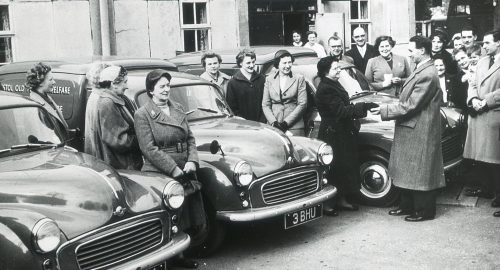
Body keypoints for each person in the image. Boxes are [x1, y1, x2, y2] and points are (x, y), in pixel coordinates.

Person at [134, 69, 206, 268]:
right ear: (151, 90)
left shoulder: (178, 107)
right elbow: (148, 149)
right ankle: (170, 259)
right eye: (162, 87)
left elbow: (190, 137)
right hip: (160, 172)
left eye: (168, 85)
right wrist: (174, 169)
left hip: (186, 167)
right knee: (170, 215)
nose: (167, 90)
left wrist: (192, 160)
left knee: (189, 215)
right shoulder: (142, 114)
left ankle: (183, 254)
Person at [373, 35, 445, 222]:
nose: (410, 55)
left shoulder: (428, 74)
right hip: (413, 127)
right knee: (408, 170)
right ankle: (407, 206)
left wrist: (385, 109)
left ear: (422, 51)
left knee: (420, 171)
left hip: (420, 128)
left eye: (412, 51)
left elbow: (411, 105)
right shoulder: (422, 69)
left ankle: (424, 211)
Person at [315, 56, 378, 216]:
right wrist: (362, 107)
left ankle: (341, 199)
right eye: (335, 68)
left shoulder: (333, 83)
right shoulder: (325, 88)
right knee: (335, 167)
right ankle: (328, 204)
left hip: (341, 131)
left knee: (344, 166)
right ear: (326, 72)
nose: (339, 70)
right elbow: (341, 111)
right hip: (333, 133)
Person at [461, 29, 500, 217]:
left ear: (498, 43)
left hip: (494, 114)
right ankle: (488, 189)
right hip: (479, 114)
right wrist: (473, 99)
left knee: (496, 159)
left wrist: (486, 101)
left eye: (487, 43)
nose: (483, 46)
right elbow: (473, 84)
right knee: (482, 158)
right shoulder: (483, 61)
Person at [84, 64, 142, 170]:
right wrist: (142, 138)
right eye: (124, 82)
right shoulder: (107, 102)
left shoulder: (97, 96)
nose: (127, 86)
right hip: (119, 165)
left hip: (109, 162)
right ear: (113, 84)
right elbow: (119, 140)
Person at [262, 50, 307, 136]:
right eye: (284, 63)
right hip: (274, 126)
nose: (287, 66)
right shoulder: (269, 79)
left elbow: (302, 104)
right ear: (277, 64)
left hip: (294, 126)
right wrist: (273, 123)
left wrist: (285, 123)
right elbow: (265, 104)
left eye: (290, 62)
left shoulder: (299, 78)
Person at [226, 48, 266, 123]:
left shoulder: (261, 79)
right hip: (242, 125)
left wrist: (262, 120)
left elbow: (266, 102)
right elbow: (232, 108)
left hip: (261, 124)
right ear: (240, 63)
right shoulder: (233, 83)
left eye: (253, 62)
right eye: (248, 63)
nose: (251, 65)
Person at [26, 62, 68, 130]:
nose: (54, 82)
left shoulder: (46, 98)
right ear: (40, 82)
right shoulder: (35, 105)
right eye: (50, 80)